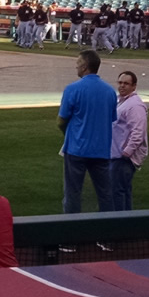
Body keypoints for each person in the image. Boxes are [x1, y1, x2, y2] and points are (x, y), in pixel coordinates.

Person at [58, 50, 118, 213]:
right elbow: (111, 118)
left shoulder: (72, 89)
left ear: (84, 67)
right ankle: (109, 232)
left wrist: (68, 133)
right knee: (105, 194)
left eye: (78, 64)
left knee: (72, 194)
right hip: (101, 150)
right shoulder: (110, 91)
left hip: (77, 149)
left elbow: (61, 120)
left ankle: (73, 232)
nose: (76, 67)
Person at [111, 71, 149, 211]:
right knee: (123, 190)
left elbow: (138, 133)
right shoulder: (121, 101)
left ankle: (120, 223)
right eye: (120, 83)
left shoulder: (135, 106)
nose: (122, 86)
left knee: (117, 191)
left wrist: (126, 153)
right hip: (117, 154)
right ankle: (127, 222)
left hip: (123, 157)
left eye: (126, 83)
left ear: (134, 86)